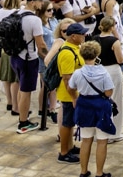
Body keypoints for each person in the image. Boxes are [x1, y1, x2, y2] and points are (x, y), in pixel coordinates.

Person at [69, 39, 118, 177]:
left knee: (86, 140)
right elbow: (109, 92)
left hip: (84, 105)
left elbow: (71, 87)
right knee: (102, 142)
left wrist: (75, 98)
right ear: (97, 54)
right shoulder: (103, 72)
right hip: (101, 107)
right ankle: (99, 172)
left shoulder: (78, 73)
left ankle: (83, 171)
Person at [49, 22, 89, 165]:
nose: (85, 35)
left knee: (70, 122)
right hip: (69, 94)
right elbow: (67, 78)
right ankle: (64, 152)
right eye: (82, 34)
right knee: (66, 124)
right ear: (73, 36)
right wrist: (74, 98)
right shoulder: (67, 52)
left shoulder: (75, 47)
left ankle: (70, 147)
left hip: (74, 92)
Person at [11, 0, 49, 132]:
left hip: (15, 56)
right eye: (40, 1)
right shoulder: (35, 20)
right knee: (26, 91)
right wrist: (48, 58)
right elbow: (41, 45)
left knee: (22, 87)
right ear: (33, 2)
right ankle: (23, 123)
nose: (42, 3)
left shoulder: (16, 13)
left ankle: (22, 115)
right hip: (29, 59)